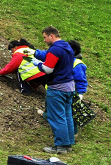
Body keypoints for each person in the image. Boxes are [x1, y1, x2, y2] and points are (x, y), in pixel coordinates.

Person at [22, 26, 76, 155]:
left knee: (57, 117)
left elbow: (48, 69)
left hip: (58, 88)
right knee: (67, 115)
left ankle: (60, 147)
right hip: (69, 87)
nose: (44, 40)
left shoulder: (55, 49)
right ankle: (68, 144)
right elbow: (48, 54)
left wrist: (36, 63)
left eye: (45, 37)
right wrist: (35, 52)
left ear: (51, 35)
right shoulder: (66, 46)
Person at [68, 39, 89, 136]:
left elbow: (81, 80)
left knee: (72, 111)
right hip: (63, 89)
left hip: (73, 90)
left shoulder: (77, 64)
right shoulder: (65, 60)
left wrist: (80, 93)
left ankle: (73, 132)